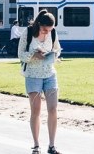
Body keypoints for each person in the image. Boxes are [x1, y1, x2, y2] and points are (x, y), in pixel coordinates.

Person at [18, 10, 63, 154]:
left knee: (53, 109)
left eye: (49, 30)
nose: (47, 32)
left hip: (49, 74)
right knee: (36, 111)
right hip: (33, 75)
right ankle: (36, 145)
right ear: (39, 24)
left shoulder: (53, 32)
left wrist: (55, 56)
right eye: (44, 29)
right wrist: (34, 55)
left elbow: (57, 49)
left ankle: (52, 145)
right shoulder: (29, 32)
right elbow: (20, 55)